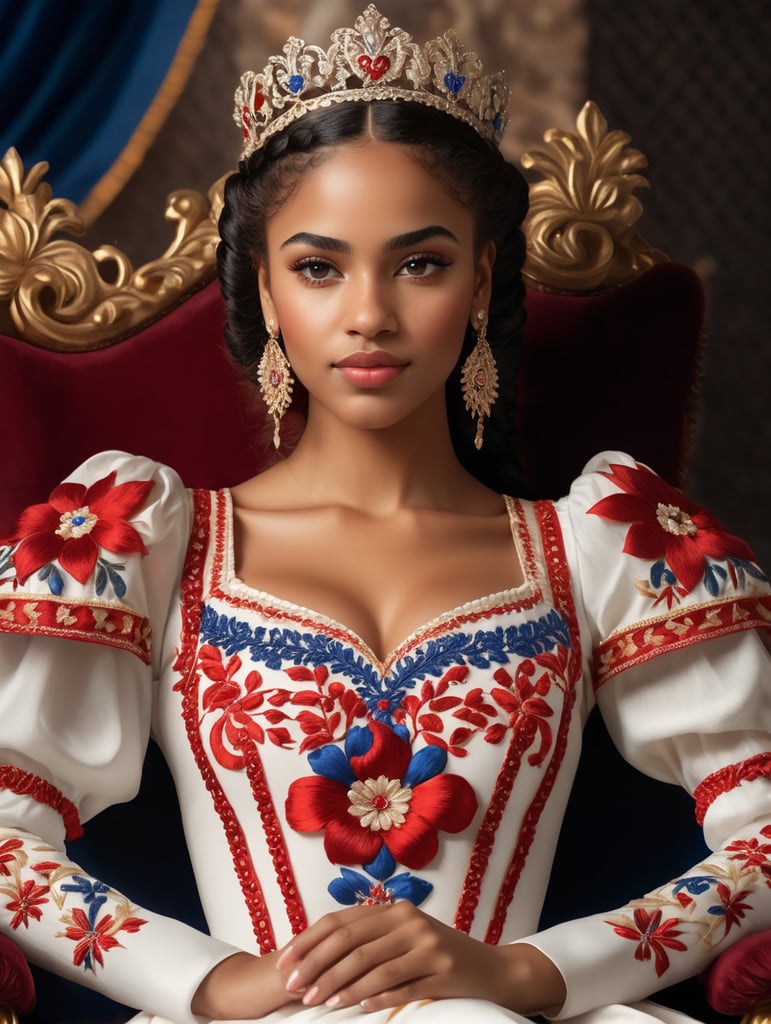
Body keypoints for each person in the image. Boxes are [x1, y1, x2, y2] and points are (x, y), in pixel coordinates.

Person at [1, 6, 770, 1023]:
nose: (370, 312)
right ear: (269, 291)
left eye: (420, 263)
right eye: (320, 266)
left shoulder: (600, 542)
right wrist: (210, 981)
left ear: (481, 276)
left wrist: (534, 971)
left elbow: (763, 834)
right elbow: (7, 833)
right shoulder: (144, 535)